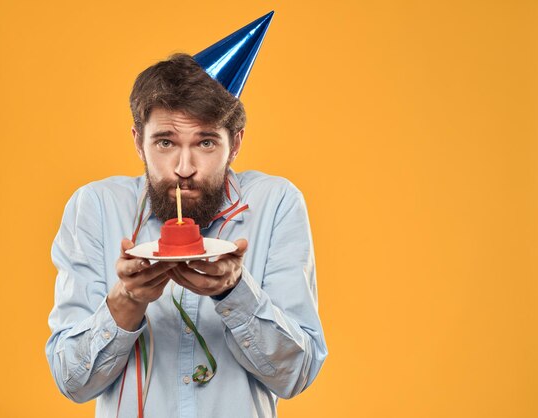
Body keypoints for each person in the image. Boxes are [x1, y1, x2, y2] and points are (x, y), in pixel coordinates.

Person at [46, 14, 327, 418]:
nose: (183, 167)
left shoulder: (276, 203)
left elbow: (296, 375)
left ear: (235, 145)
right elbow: (71, 382)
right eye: (165, 142)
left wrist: (235, 292)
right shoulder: (95, 207)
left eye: (206, 142)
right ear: (139, 143)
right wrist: (126, 301)